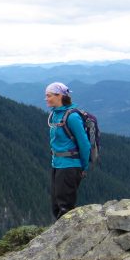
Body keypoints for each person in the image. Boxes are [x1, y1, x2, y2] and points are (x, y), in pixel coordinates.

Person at [45, 82, 91, 220]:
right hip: (57, 165)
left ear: (59, 96)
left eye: (49, 96)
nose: (46, 99)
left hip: (70, 166)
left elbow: (85, 144)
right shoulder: (54, 115)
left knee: (65, 207)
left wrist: (83, 167)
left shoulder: (72, 117)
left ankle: (66, 238)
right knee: (56, 206)